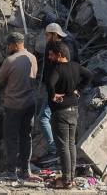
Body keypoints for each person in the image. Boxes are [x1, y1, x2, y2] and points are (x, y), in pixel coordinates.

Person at [0, 31, 41, 182]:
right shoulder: (33, 58)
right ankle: (26, 170)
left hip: (13, 105)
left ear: (15, 45)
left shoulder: (10, 60)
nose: (8, 47)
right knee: (26, 137)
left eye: (9, 45)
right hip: (29, 103)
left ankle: (11, 171)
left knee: (11, 138)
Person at [46, 42, 92, 189]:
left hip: (60, 112)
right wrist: (79, 90)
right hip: (74, 109)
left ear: (60, 55)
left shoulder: (57, 68)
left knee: (63, 146)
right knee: (71, 144)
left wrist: (53, 95)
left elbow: (49, 83)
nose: (49, 57)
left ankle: (66, 180)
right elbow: (89, 75)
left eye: (51, 54)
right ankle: (71, 176)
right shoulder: (76, 66)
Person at [37, 22, 79, 165]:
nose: (45, 37)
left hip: (58, 89)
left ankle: (54, 150)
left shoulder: (54, 47)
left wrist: (52, 92)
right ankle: (65, 160)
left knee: (43, 118)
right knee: (68, 132)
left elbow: (51, 74)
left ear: (54, 35)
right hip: (70, 91)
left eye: (47, 35)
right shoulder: (71, 44)